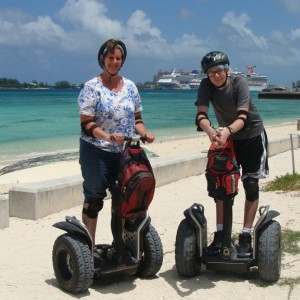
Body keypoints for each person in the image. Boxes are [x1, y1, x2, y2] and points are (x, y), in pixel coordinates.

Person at [78, 38, 155, 248]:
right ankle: (89, 249)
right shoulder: (91, 87)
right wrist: (107, 136)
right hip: (96, 151)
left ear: (122, 61)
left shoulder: (130, 87)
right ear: (102, 59)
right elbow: (87, 124)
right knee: (94, 200)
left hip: (124, 152)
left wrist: (145, 133)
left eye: (118, 58)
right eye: (110, 57)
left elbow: (137, 120)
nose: (114, 61)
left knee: (125, 198)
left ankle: (120, 246)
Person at [195, 51, 269, 257]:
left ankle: (245, 235)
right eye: (211, 73)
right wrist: (211, 131)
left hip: (252, 136)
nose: (216, 76)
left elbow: (243, 117)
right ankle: (220, 234)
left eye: (219, 71)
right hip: (227, 137)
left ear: (227, 69)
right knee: (221, 184)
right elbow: (201, 114)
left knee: (250, 185)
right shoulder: (205, 85)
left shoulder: (239, 83)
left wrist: (226, 131)